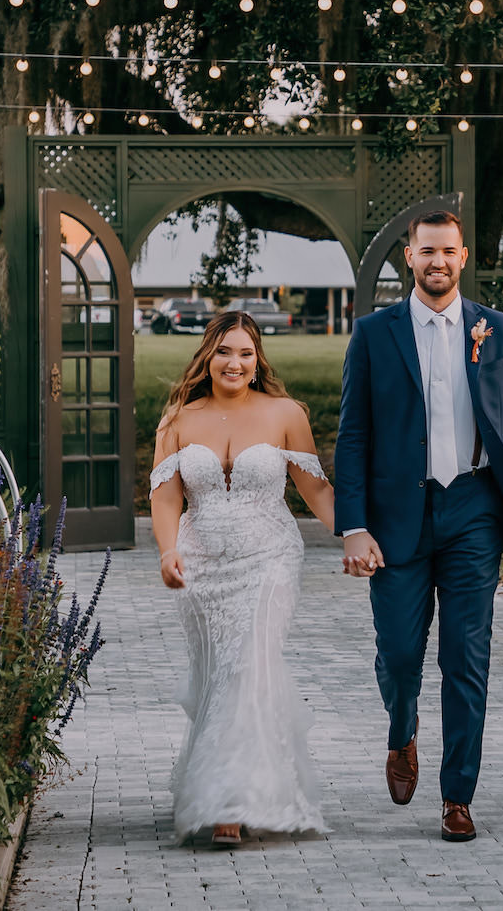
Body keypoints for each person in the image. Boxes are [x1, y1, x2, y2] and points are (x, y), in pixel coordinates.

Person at [332, 209, 503, 842]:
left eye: (448, 251)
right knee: (402, 655)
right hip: (396, 520)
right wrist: (352, 525)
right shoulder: (374, 334)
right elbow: (352, 436)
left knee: (466, 658)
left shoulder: (496, 329)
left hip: (474, 513)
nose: (437, 262)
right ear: (408, 258)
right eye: (426, 251)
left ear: (464, 257)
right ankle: (402, 731)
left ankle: (457, 796)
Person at [149, 311, 336, 846]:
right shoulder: (178, 419)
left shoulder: (285, 413)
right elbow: (165, 497)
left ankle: (231, 802)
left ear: (258, 362)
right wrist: (167, 552)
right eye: (225, 351)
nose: (235, 362)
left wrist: (355, 534)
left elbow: (315, 489)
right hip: (201, 563)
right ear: (208, 356)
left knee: (248, 665)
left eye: (246, 353)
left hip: (270, 557)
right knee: (217, 674)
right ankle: (228, 784)